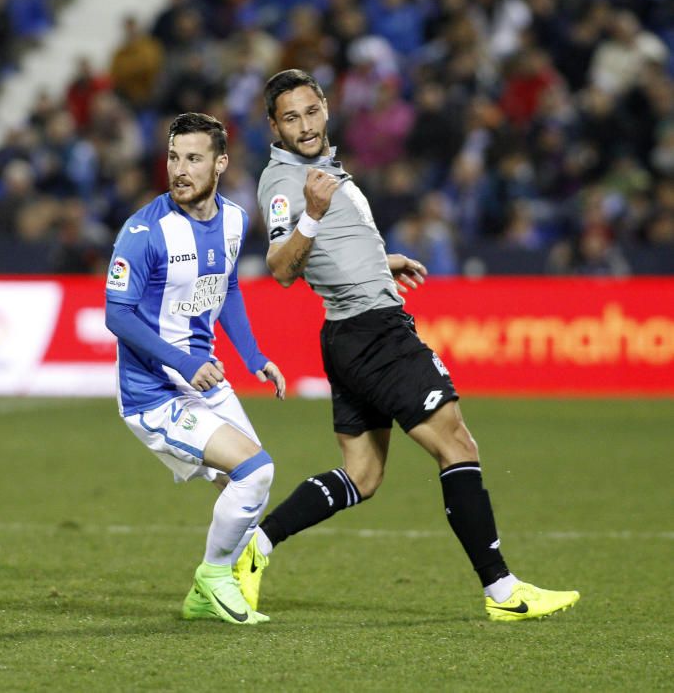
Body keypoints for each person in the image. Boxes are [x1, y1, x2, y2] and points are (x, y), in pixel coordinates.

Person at [236, 69, 580, 622]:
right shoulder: (285, 185)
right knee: (458, 445)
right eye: (290, 118)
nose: (304, 125)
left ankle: (257, 546)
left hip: (349, 333)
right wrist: (315, 214)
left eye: (310, 111)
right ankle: (503, 591)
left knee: (363, 476)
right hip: (375, 333)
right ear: (273, 126)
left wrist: (380, 262)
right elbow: (281, 268)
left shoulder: (325, 169)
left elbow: (331, 247)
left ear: (326, 108)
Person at [104, 112, 286, 625]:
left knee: (250, 485)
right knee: (256, 471)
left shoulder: (233, 219)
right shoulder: (144, 232)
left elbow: (226, 287)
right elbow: (117, 314)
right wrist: (186, 361)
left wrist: (255, 358)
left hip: (205, 383)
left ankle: (205, 594)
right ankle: (213, 575)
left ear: (220, 163)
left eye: (193, 158)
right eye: (173, 157)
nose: (179, 169)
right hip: (154, 395)